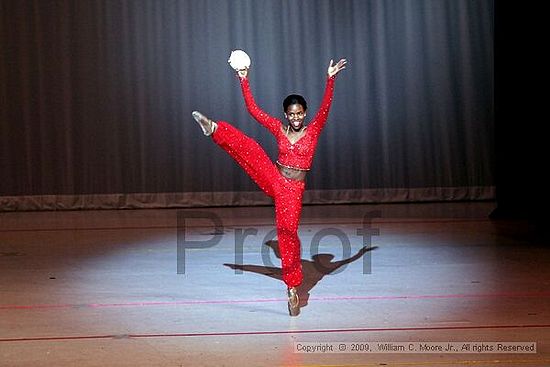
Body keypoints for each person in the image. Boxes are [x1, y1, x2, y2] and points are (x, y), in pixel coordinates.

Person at [191, 55, 347, 316]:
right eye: (291, 114)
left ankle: (292, 288)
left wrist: (330, 79)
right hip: (275, 177)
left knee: (287, 232)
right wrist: (244, 79)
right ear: (286, 114)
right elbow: (253, 110)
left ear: (304, 113)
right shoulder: (278, 128)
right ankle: (215, 129)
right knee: (251, 147)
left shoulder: (314, 129)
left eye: (299, 113)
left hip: (292, 191)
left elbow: (325, 109)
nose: (296, 117)